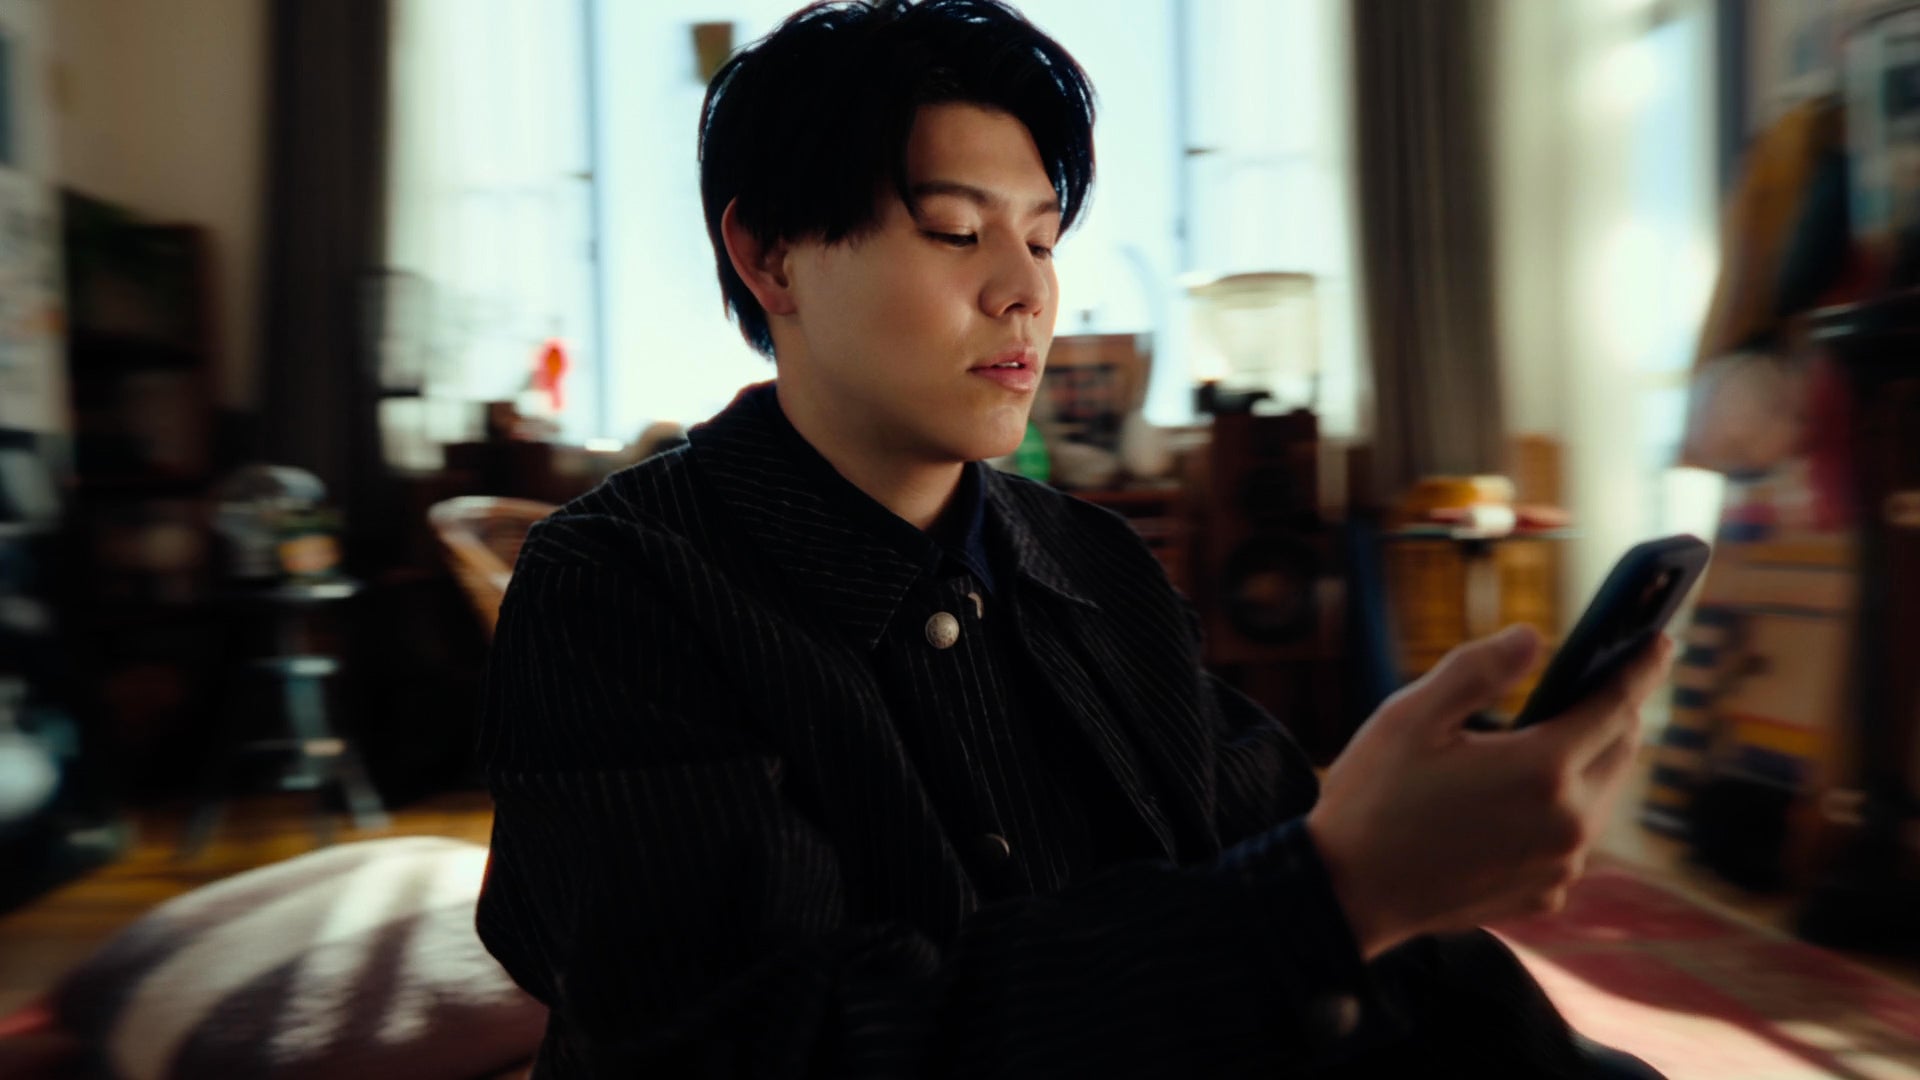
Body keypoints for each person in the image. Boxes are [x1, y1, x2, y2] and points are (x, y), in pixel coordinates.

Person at [475, 1, 1672, 1075]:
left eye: (1043, 239)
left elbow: (1294, 857)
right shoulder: (619, 587)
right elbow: (775, 1044)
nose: (1026, 293)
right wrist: (1330, 895)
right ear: (769, 254)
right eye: (956, 231)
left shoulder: (1093, 564)